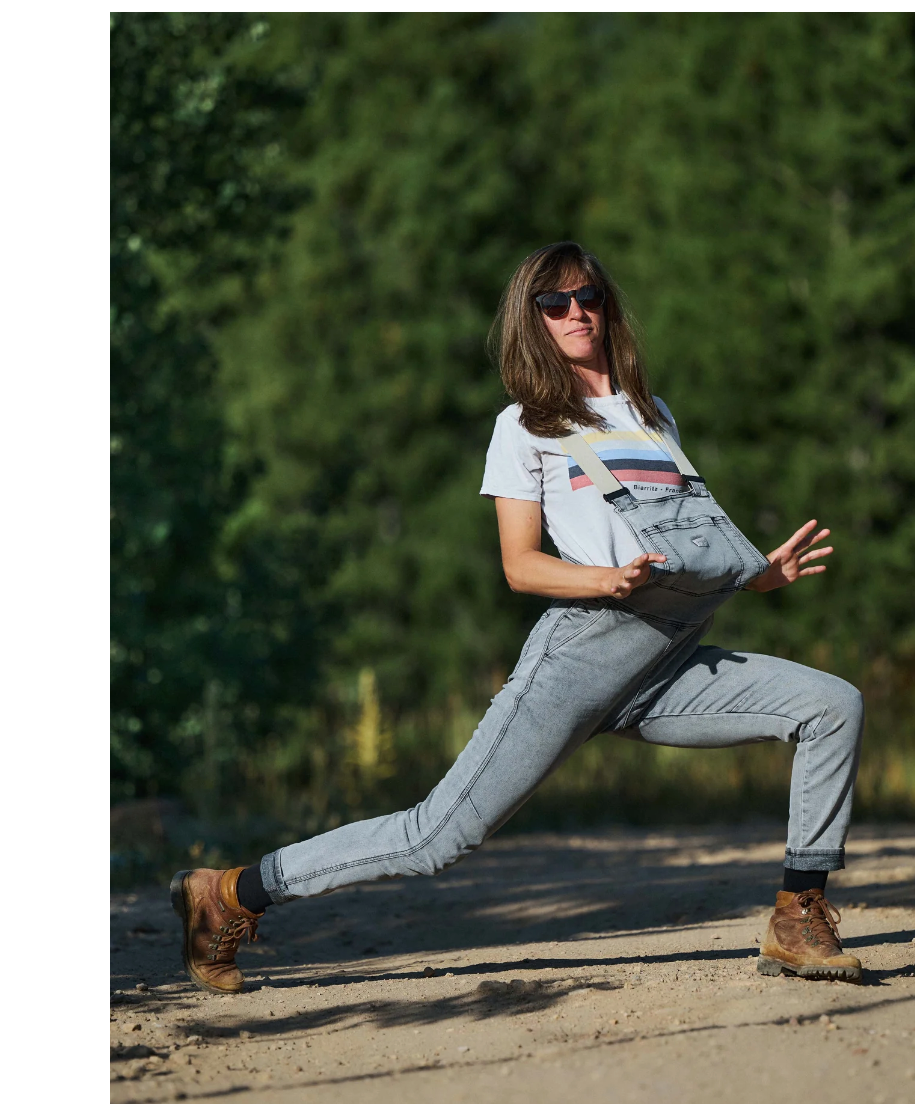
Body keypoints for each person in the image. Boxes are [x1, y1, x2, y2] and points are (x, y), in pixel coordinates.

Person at [170, 241, 865, 994]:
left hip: (668, 653)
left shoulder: (651, 413)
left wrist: (759, 573)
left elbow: (686, 540)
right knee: (434, 836)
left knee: (832, 705)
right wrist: (603, 579)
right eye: (554, 303)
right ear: (530, 320)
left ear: (608, 304)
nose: (576, 313)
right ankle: (229, 893)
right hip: (582, 650)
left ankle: (799, 912)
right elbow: (519, 565)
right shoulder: (527, 426)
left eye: (588, 296)